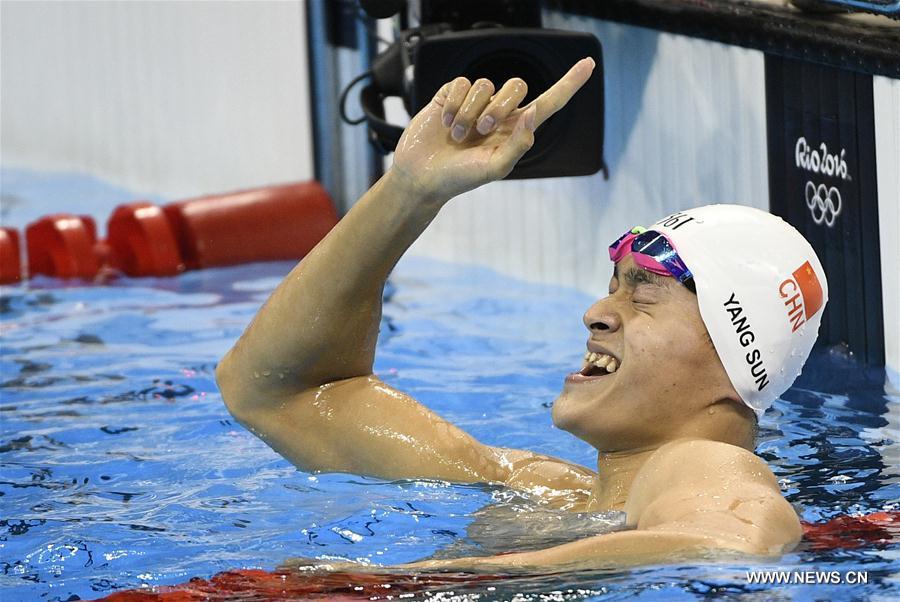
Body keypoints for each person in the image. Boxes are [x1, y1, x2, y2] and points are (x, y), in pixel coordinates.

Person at [215, 57, 828, 571]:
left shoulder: (702, 463)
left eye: (642, 296)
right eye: (611, 288)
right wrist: (408, 191)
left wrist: (423, 583)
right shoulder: (546, 489)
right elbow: (278, 392)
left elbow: (738, 539)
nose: (595, 313)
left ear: (736, 361)